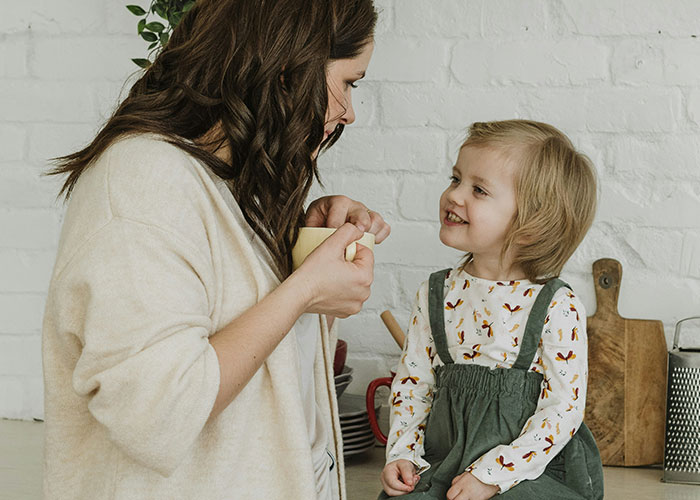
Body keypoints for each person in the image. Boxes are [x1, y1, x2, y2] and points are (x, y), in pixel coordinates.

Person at [42, 1, 387, 499]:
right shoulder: (142, 183)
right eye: (349, 82)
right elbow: (159, 412)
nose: (349, 112)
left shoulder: (230, 183)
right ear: (288, 66)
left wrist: (304, 256)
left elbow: (269, 371)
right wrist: (303, 291)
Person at [379, 120, 604, 500]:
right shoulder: (436, 293)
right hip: (442, 464)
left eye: (478, 189)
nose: (454, 195)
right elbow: (413, 386)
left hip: (526, 472)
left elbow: (561, 411)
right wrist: (402, 454)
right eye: (455, 179)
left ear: (531, 225)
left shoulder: (556, 306)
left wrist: (492, 475)